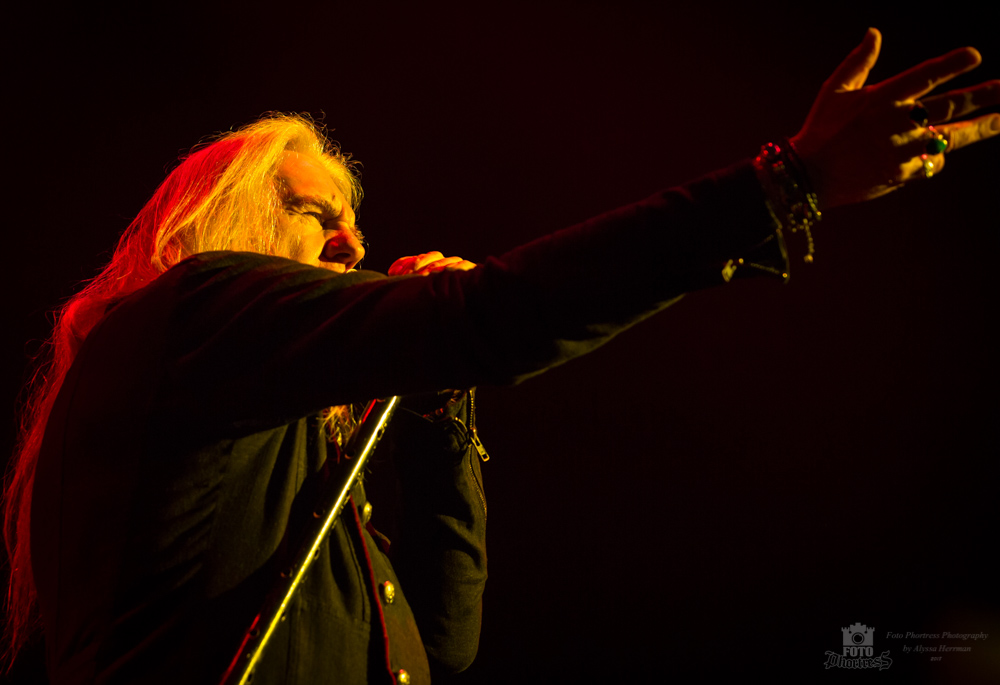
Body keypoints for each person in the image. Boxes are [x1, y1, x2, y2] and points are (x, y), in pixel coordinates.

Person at [3, 28, 998, 685]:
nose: (353, 246)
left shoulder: (283, 467)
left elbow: (444, 643)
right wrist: (790, 181)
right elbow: (494, 314)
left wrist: (438, 408)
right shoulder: (200, 309)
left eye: (356, 223)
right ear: (227, 219)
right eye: (318, 215)